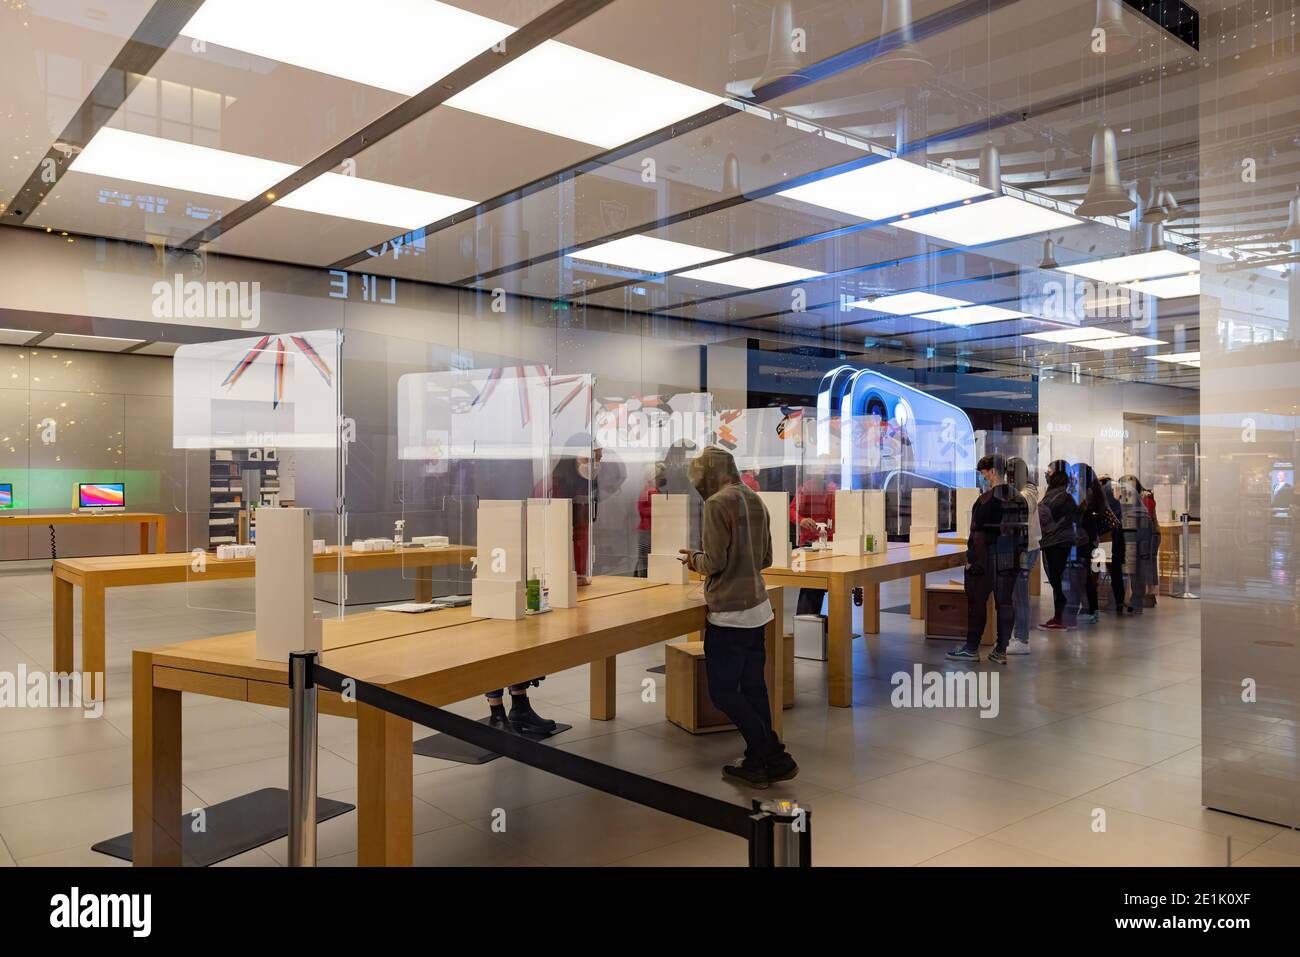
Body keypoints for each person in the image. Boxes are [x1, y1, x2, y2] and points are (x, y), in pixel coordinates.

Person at [680, 445, 796, 789]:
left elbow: (714, 563)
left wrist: (693, 560)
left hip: (729, 612)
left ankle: (773, 754)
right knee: (754, 686)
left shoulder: (716, 504)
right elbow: (766, 558)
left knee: (723, 692)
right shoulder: (755, 499)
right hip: (758, 608)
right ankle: (760, 763)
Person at [484, 437, 602, 735]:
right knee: (508, 641)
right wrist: (554, 573)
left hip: (568, 577)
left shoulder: (583, 486)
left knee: (528, 645)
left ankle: (520, 705)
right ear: (572, 457)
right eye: (589, 458)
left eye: (599, 457)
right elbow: (540, 533)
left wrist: (579, 571)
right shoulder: (551, 486)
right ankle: (497, 710)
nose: (595, 464)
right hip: (538, 573)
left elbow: (580, 533)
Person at [947, 454, 1020, 665]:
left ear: (993, 472)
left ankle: (971, 648)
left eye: (984, 473)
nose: (983, 477)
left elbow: (977, 533)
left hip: (986, 560)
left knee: (977, 603)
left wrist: (971, 559)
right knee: (1005, 604)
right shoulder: (1018, 497)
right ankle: (1001, 650)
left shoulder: (986, 500)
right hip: (1010, 558)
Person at [1037, 459, 1079, 630]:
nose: (1047, 475)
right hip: (1056, 541)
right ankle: (1060, 616)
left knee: (1058, 580)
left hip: (1056, 542)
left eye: (1050, 472)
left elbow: (1054, 518)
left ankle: (1061, 617)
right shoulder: (1062, 494)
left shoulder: (1061, 496)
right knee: (1058, 580)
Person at [789, 470, 837, 616]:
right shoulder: (804, 489)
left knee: (820, 585)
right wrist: (802, 520)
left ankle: (811, 623)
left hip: (828, 543)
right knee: (812, 585)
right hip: (809, 543)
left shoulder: (831, 489)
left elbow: (835, 516)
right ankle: (808, 622)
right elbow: (792, 510)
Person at [1005, 456, 1039, 655]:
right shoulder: (1023, 491)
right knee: (1016, 594)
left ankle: (1022, 638)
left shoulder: (1028, 493)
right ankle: (1017, 635)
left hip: (1025, 548)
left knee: (1020, 594)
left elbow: (1021, 507)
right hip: (1019, 547)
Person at [1076, 464, 1117, 624]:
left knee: (1086, 576)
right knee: (1089, 576)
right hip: (1093, 540)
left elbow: (1081, 513)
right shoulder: (1095, 492)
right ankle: (1091, 609)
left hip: (1087, 540)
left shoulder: (1087, 493)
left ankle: (1090, 610)